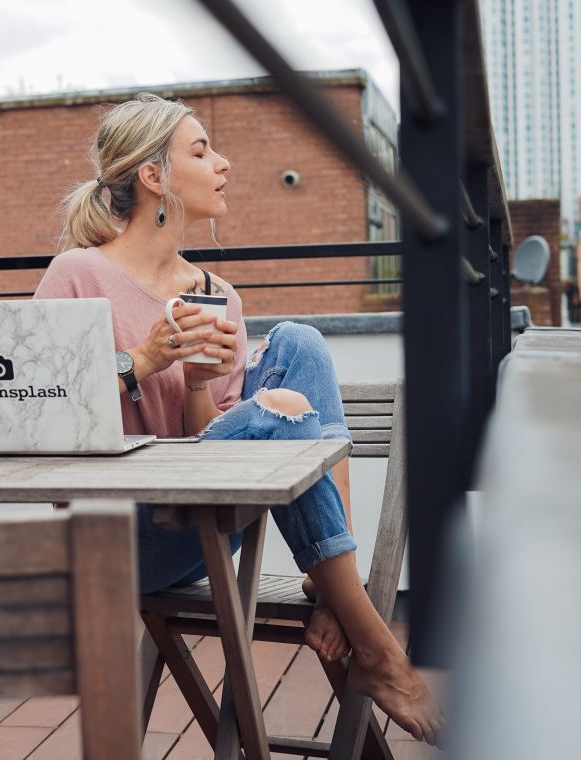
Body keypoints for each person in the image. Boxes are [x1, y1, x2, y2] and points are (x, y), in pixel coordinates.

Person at [33, 93, 444, 746]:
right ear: (153, 176)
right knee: (278, 412)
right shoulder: (78, 275)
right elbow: (36, 409)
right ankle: (375, 645)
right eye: (201, 151)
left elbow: (212, 447)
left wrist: (198, 383)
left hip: (203, 520)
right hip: (120, 534)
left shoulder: (216, 295)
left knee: (301, 343)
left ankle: (330, 582)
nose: (222, 163)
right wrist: (142, 360)